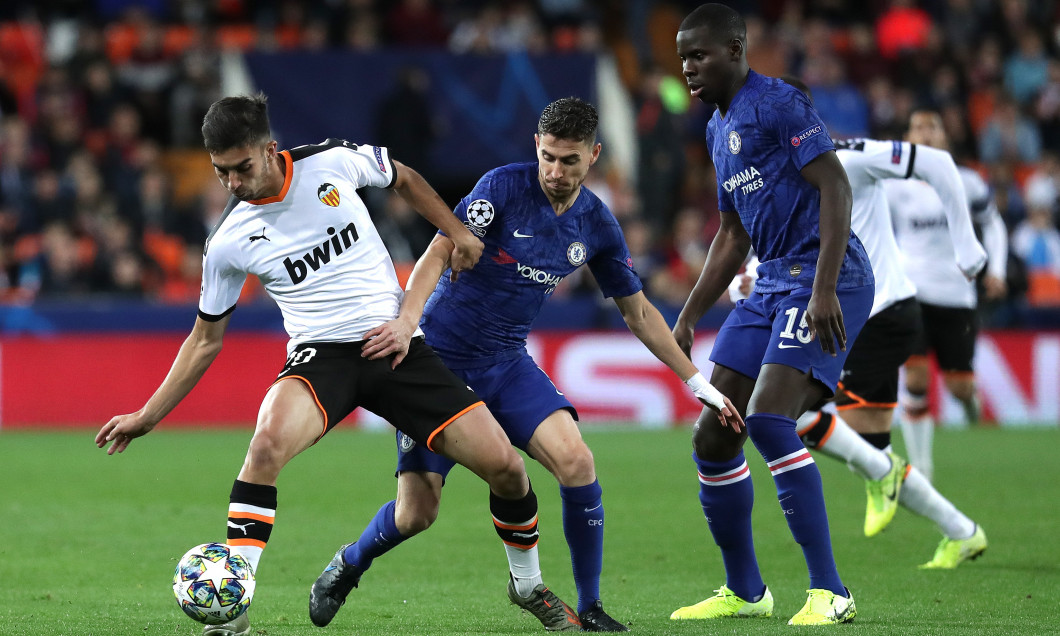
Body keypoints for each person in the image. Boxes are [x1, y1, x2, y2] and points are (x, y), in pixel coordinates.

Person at [94, 94, 577, 636]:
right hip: (321, 357)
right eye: (220, 172)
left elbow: (403, 178)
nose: (232, 183)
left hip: (396, 347)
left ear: (269, 150)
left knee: (507, 470)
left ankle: (527, 585)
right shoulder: (228, 242)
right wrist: (148, 415)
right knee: (266, 444)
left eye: (241, 168)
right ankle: (232, 611)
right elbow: (205, 340)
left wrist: (458, 231)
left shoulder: (330, 162)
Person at [307, 96, 741, 633]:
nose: (556, 172)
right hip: (437, 363)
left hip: (507, 362)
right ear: (537, 147)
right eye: (549, 158)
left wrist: (696, 380)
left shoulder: (597, 225)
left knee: (578, 463)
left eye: (571, 161)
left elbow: (639, 312)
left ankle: (589, 606)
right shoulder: (503, 188)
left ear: (594, 156)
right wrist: (405, 321)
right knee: (417, 513)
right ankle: (350, 563)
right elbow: (438, 252)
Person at [669, 4, 873, 626]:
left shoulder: (779, 103)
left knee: (769, 421)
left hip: (824, 277)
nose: (687, 69)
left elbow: (835, 187)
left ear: (734, 50)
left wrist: (824, 288)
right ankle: (746, 592)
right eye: (682, 58)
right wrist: (689, 314)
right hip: (770, 283)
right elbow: (731, 234)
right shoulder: (715, 127)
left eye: (698, 56)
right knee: (713, 434)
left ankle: (831, 592)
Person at [739, 79, 989, 569]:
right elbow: (769, 245)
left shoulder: (847, 154)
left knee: (788, 414)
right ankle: (960, 529)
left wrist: (966, 244)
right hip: (843, 320)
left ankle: (895, 481)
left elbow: (935, 162)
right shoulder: (767, 177)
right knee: (822, 429)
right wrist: (744, 278)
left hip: (878, 312)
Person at [887, 109, 1010, 479]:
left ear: (944, 136)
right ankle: (921, 466)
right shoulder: (893, 185)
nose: (925, 133)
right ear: (908, 137)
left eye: (932, 127)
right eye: (918, 127)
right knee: (916, 378)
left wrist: (997, 270)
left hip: (957, 294)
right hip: (911, 291)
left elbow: (993, 225)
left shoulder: (967, 181)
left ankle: (970, 402)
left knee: (959, 386)